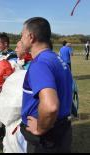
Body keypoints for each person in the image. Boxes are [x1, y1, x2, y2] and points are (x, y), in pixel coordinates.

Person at [20, 17, 73, 153]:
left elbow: (51, 106)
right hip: (62, 130)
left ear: (31, 37)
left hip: (47, 138)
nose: (20, 39)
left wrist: (40, 129)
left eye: (22, 35)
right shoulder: (56, 58)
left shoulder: (40, 63)